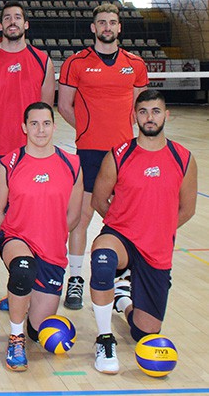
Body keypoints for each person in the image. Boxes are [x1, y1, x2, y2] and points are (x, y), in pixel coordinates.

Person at [88, 90, 196, 374]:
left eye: (156, 111)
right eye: (144, 112)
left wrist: (155, 230)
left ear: (166, 115)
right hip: (121, 238)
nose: (150, 118)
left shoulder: (183, 158)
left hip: (156, 248)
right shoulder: (119, 155)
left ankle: (122, 298)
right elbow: (98, 200)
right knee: (102, 259)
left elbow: (187, 209)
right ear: (134, 116)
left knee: (144, 333)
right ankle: (104, 338)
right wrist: (126, 224)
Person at [57, 3, 149, 311]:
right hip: (90, 153)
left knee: (125, 219)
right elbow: (65, 106)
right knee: (81, 219)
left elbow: (139, 109)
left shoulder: (135, 64)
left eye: (112, 22)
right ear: (93, 28)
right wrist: (87, 130)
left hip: (125, 157)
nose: (107, 27)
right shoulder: (76, 63)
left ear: (119, 28)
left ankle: (123, 281)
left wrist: (120, 135)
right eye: (102, 22)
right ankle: (75, 280)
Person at [0, 102, 83, 371]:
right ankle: (15, 337)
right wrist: (14, 234)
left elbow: (73, 216)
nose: (40, 130)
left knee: (39, 332)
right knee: (23, 268)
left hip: (52, 250)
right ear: (24, 127)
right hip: (17, 240)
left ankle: (21, 300)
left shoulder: (72, 164)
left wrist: (48, 234)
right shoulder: (10, 163)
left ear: (54, 126)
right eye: (34, 124)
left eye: (46, 124)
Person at [0, 0, 55, 307]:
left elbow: (44, 109)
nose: (12, 22)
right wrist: (3, 123)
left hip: (30, 155)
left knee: (30, 217)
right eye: (7, 18)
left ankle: (23, 283)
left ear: (26, 24)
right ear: (0, 26)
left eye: (17, 17)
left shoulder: (42, 59)